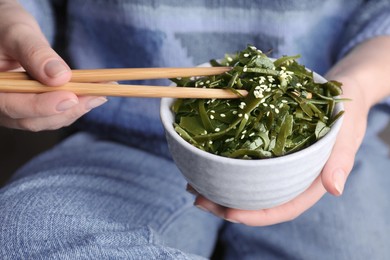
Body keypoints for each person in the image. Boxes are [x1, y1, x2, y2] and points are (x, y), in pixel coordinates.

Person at [0, 0, 389, 259]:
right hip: (119, 135)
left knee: (358, 247)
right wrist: (13, 19)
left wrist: (358, 84)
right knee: (25, 228)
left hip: (330, 149)